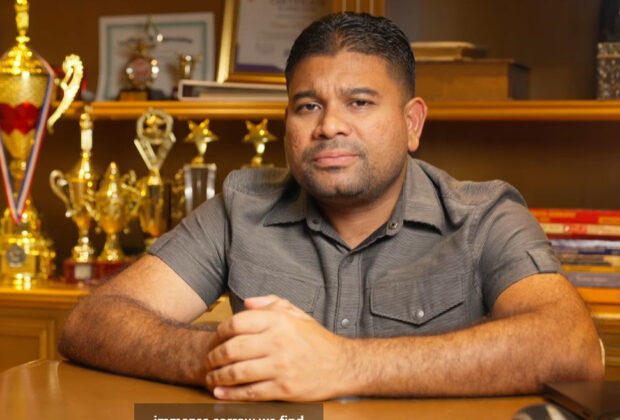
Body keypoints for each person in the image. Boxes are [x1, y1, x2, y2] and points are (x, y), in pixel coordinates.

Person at [59, 12, 604, 401]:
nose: (329, 125)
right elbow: (92, 322)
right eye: (308, 106)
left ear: (411, 123)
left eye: (359, 102)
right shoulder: (239, 208)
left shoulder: (484, 217)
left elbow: (570, 346)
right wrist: (213, 359)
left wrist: (344, 365)